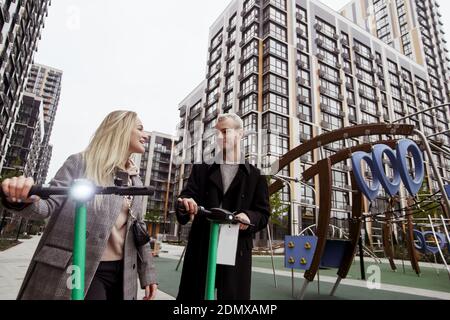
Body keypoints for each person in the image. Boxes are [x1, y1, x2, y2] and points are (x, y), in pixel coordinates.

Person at [1, 110, 158, 300]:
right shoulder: (80, 163)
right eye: (140, 128)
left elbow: (138, 231)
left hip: (123, 273)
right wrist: (23, 198)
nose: (146, 135)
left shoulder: (137, 182)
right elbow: (47, 205)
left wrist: (148, 274)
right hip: (77, 267)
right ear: (121, 130)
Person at [176, 113, 270, 300]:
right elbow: (185, 198)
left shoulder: (256, 175)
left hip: (236, 248)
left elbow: (263, 213)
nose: (219, 137)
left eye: (225, 132)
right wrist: (185, 203)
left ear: (240, 133)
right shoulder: (202, 168)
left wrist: (249, 216)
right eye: (217, 133)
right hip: (202, 245)